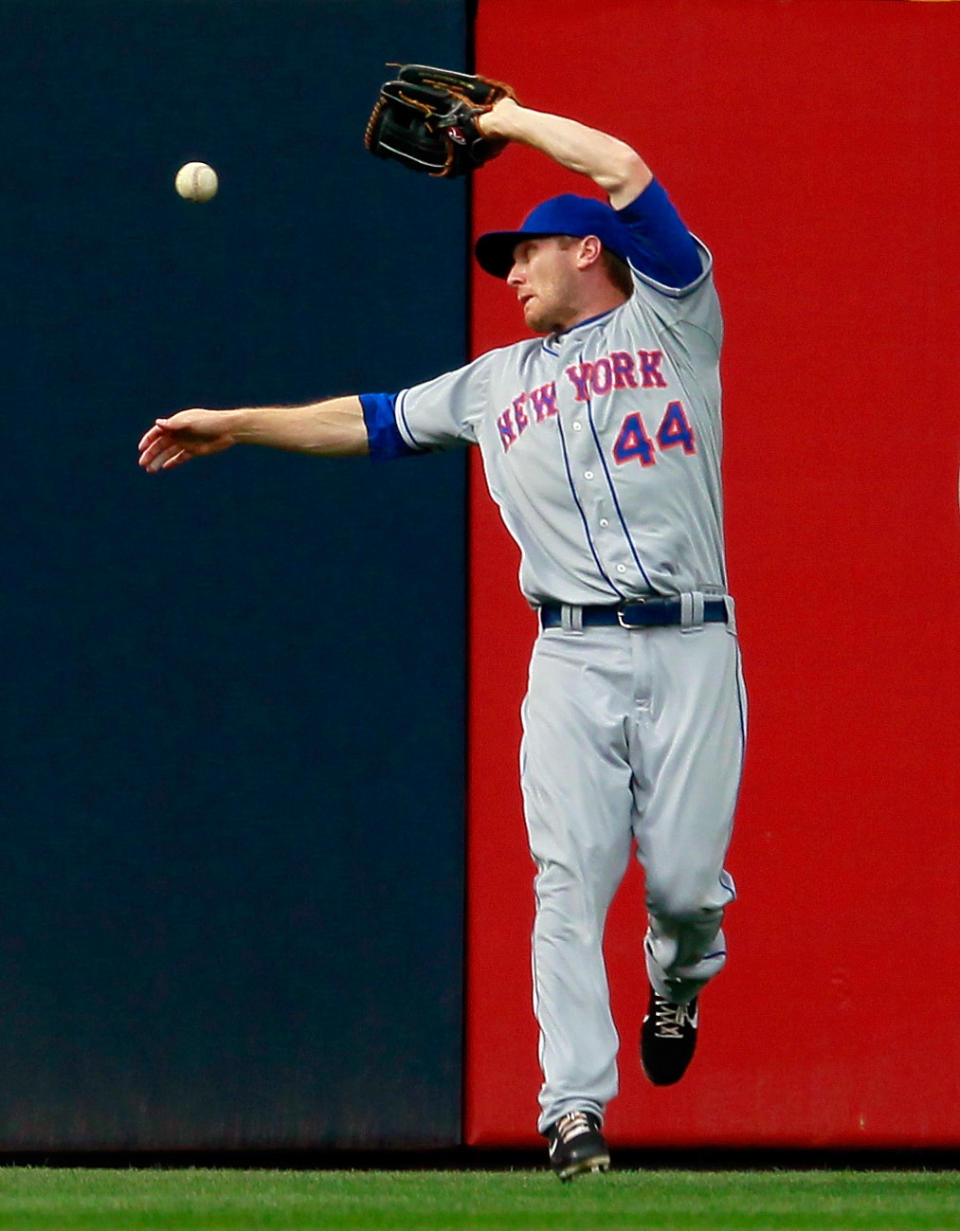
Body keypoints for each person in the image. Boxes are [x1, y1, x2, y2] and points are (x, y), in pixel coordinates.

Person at [138, 93, 747, 1181]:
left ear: (588, 253)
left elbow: (623, 163)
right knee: (565, 880)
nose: (509, 273)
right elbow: (366, 420)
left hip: (693, 645)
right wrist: (234, 423)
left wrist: (511, 119)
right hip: (569, 657)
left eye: (526, 254)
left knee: (687, 892)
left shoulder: (673, 315)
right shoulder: (492, 383)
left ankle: (678, 977)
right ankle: (573, 1111)